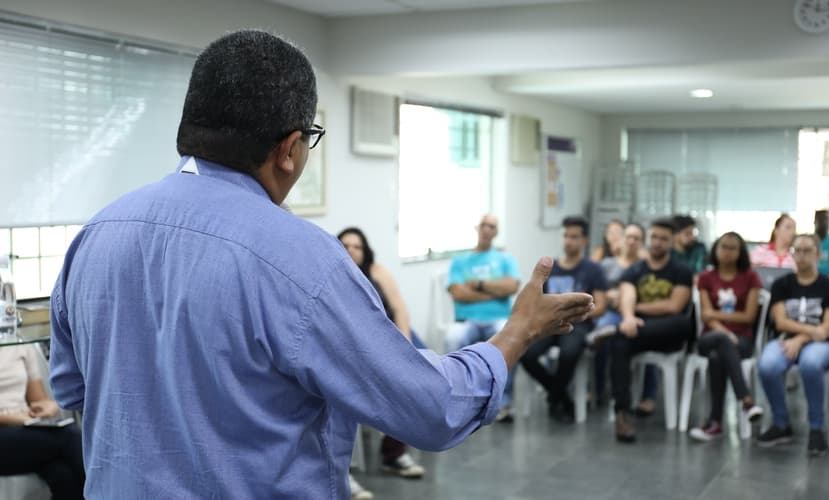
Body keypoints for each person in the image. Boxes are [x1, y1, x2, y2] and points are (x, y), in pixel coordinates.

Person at [48, 31, 595, 499]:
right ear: (290, 149)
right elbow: (431, 409)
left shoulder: (96, 235)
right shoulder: (300, 259)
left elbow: (73, 391)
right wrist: (518, 332)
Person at [337, 227, 425, 481]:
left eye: (357, 246)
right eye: (345, 245)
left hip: (393, 334)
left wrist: (405, 343)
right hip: (363, 343)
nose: (351, 250)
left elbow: (399, 308)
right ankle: (390, 453)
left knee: (416, 372)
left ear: (365, 251)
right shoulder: (333, 276)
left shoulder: (378, 271)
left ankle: (396, 450)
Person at [610, 218, 693, 443]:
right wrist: (628, 317)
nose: (657, 242)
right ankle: (622, 413)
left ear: (671, 242)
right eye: (654, 237)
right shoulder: (635, 269)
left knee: (681, 322)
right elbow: (627, 293)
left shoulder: (681, 270)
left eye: (663, 239)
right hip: (639, 331)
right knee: (620, 342)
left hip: (669, 333)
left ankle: (616, 331)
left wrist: (634, 309)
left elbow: (674, 306)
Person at [756, 234, 829, 456]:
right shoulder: (782, 284)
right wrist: (806, 333)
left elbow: (827, 328)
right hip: (785, 340)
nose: (801, 256)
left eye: (807, 251)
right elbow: (781, 322)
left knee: (810, 364)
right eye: (797, 251)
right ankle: (781, 423)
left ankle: (816, 428)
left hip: (821, 345)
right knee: (767, 365)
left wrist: (801, 339)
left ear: (818, 254)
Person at [520, 216, 607, 423]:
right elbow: (539, 301)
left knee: (568, 353)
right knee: (526, 353)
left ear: (584, 240)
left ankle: (556, 398)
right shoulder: (551, 269)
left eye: (574, 237)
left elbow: (601, 306)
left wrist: (576, 314)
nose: (568, 241)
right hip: (551, 323)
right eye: (566, 236)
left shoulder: (593, 269)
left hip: (579, 324)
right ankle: (561, 396)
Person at [688, 232, 764, 441]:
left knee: (717, 357)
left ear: (741, 252)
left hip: (742, 340)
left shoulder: (751, 277)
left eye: (733, 248)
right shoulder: (706, 277)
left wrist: (716, 315)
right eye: (724, 247)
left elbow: (748, 317)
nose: (728, 252)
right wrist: (726, 332)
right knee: (720, 341)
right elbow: (705, 316)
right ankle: (746, 399)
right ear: (716, 249)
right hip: (710, 337)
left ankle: (715, 422)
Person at [446, 214, 521, 422]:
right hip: (466, 320)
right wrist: (495, 292)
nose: (487, 229)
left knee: (511, 340)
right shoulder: (460, 261)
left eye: (492, 226)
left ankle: (504, 403)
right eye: (484, 225)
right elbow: (458, 293)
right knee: (453, 338)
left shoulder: (505, 259)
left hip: (499, 319)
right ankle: (460, 401)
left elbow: (512, 286)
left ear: (496, 232)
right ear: (477, 228)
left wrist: (479, 285)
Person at [0, 345, 84, 499]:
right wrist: (15, 418)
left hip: (25, 429)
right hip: (12, 429)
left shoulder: (19, 345)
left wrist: (50, 407)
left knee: (62, 474)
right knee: (69, 436)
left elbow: (38, 399)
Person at [588, 223, 650, 406]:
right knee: (600, 336)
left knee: (649, 340)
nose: (631, 241)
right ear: (622, 239)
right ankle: (597, 389)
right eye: (628, 237)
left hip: (637, 313)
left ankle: (647, 396)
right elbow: (596, 289)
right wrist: (610, 295)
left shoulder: (644, 266)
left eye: (636, 238)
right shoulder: (607, 264)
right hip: (611, 312)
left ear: (642, 242)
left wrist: (625, 298)